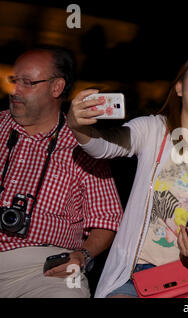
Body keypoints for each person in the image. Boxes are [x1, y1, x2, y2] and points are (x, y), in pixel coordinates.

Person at [67, 51, 188, 298]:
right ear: (179, 88)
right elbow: (104, 146)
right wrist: (78, 126)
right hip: (134, 276)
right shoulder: (153, 129)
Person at [0, 46, 123, 298]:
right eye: (15, 81)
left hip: (43, 269)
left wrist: (83, 255)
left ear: (56, 88)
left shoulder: (85, 145)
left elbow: (107, 219)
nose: (15, 90)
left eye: (27, 82)